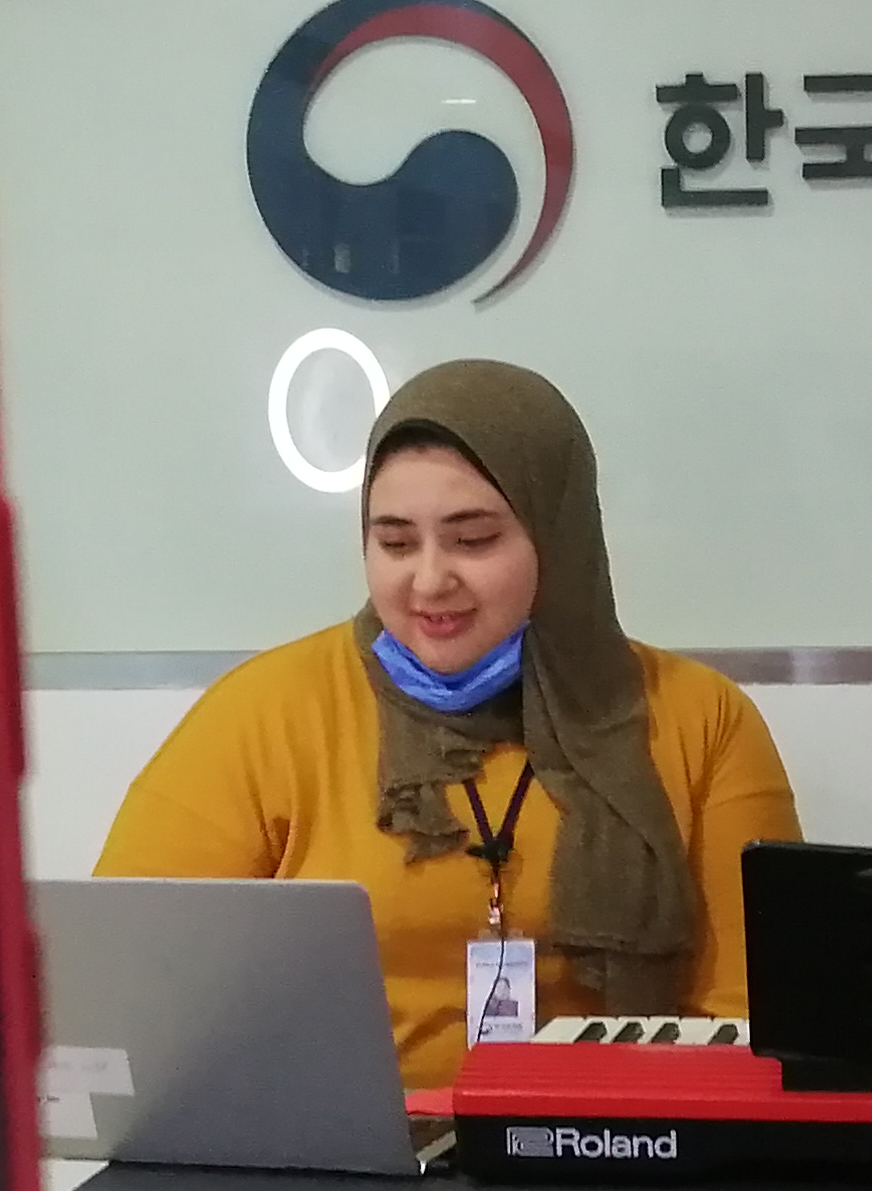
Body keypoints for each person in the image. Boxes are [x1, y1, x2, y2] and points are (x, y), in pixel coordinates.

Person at [100, 358, 800, 1081]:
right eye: (396, 543)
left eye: (474, 540)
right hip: (345, 1144)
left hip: (617, 1139)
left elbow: (761, 1024)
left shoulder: (700, 719)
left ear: (558, 539)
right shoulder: (266, 714)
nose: (430, 581)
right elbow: (127, 987)